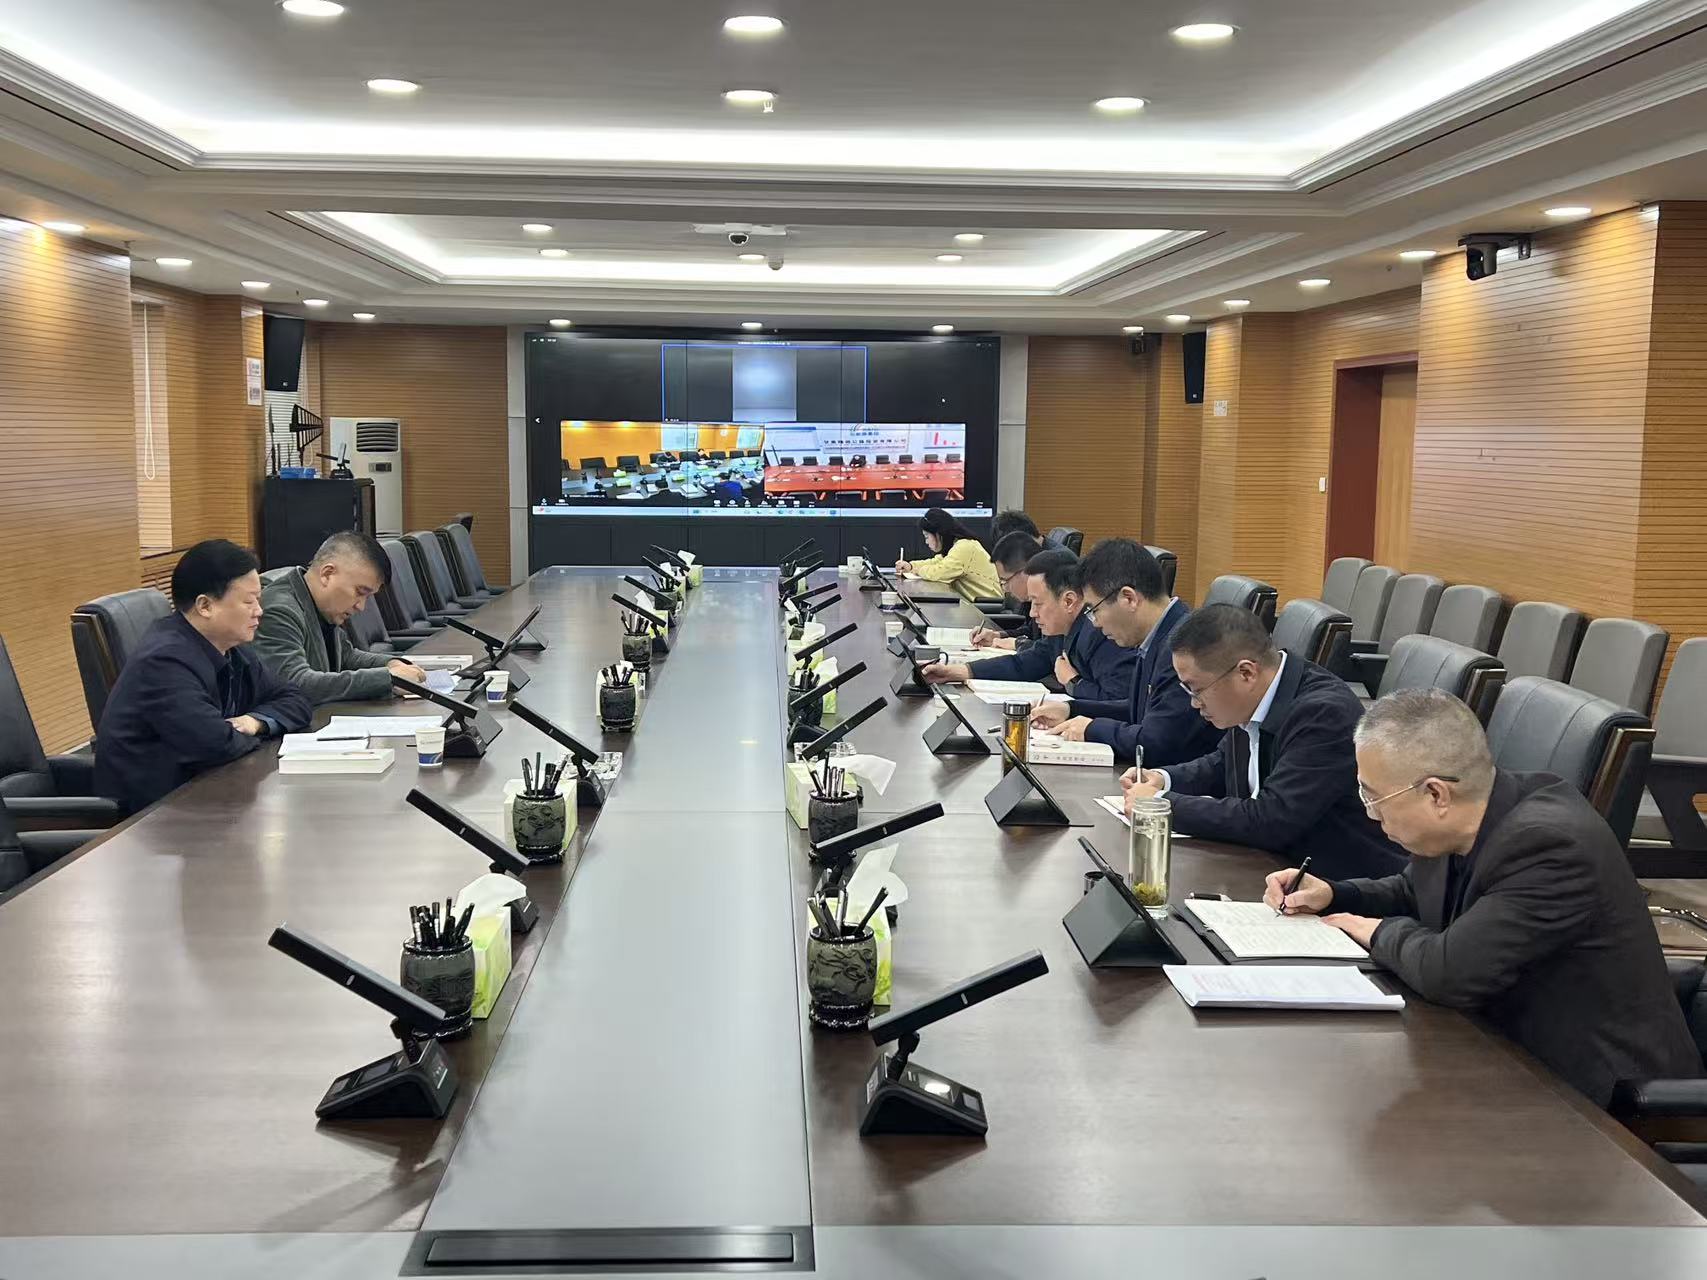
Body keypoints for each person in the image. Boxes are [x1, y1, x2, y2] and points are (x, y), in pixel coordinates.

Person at [1264, 688, 1700, 1106]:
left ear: (1436, 794)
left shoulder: (1550, 845)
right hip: (1503, 1050)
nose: (1370, 813)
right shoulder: (1470, 816)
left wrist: (1376, 931)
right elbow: (1412, 891)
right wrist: (1335, 894)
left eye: (1374, 797)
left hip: (1598, 1102)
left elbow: (1447, 973)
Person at [1121, 603, 1406, 878]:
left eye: (1196, 690)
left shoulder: (1324, 714)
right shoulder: (1253, 698)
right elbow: (1222, 763)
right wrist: (1163, 779)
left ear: (1246, 673)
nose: (1195, 703)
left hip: (1338, 886)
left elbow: (1271, 819)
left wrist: (1160, 803)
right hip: (1273, 869)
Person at [94, 540, 311, 814]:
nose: (259, 610)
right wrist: (239, 732)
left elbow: (296, 699)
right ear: (205, 606)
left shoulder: (232, 649)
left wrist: (254, 722)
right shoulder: (164, 662)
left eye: (258, 600)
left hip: (208, 797)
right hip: (154, 817)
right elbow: (216, 744)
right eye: (249, 601)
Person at [1031, 538, 1219, 767]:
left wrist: (1092, 728)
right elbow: (1138, 710)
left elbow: (1156, 742)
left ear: (1128, 598)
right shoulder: (1159, 633)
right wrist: (1071, 709)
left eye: (1094, 610)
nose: (1095, 623)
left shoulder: (1182, 647)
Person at [923, 548, 1137, 701]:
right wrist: (959, 671)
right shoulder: (1062, 628)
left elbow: (1118, 702)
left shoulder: (1103, 632)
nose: (1033, 613)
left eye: (1038, 603)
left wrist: (1073, 682)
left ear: (1069, 601)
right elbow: (1025, 663)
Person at [254, 531, 426, 705]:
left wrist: (391, 664)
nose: (361, 606)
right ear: (327, 574)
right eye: (360, 592)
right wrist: (388, 679)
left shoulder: (318, 603)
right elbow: (295, 684)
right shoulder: (279, 610)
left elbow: (346, 657)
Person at [895, 508, 1002, 601]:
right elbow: (936, 562)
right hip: (974, 605)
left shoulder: (965, 546)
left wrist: (917, 571)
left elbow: (939, 572)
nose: (926, 542)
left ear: (938, 533)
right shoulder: (956, 546)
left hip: (987, 607)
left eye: (927, 536)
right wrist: (911, 566)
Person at [969, 530, 1044, 651]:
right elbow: (1031, 631)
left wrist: (1018, 644)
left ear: (1025, 572)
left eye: (1005, 581)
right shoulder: (1032, 599)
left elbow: (1051, 650)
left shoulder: (1054, 596)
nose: (1005, 589)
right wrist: (997, 636)